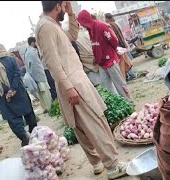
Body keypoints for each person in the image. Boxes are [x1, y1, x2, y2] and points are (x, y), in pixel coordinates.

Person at [35, 2, 127, 179]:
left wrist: (70, 15)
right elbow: (53, 63)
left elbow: (71, 37)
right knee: (95, 122)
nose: (67, 7)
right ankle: (113, 166)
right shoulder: (46, 27)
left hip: (72, 80)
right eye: (65, 5)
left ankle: (97, 164)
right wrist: (69, 88)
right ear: (58, 5)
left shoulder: (51, 25)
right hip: (72, 82)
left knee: (82, 127)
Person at [0, 43, 37, 147]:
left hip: (4, 95)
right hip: (19, 92)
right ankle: (35, 133)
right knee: (28, 113)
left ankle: (23, 135)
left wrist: (6, 90)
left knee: (13, 119)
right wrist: (13, 89)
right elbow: (17, 74)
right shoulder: (11, 59)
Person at [77, 10, 133, 102]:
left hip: (110, 60)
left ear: (85, 20)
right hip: (101, 63)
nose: (82, 25)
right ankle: (117, 103)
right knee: (106, 86)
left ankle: (130, 102)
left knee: (119, 84)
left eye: (82, 23)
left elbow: (114, 40)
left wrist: (111, 52)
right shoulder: (90, 30)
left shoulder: (101, 26)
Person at [104, 13, 136, 81]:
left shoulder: (110, 25)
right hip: (121, 44)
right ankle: (130, 75)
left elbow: (113, 37)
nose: (105, 19)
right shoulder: (115, 24)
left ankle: (131, 74)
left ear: (107, 18)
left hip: (118, 45)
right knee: (125, 61)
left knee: (124, 61)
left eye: (105, 18)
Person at [24, 37, 52, 113]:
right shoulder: (32, 52)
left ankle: (46, 108)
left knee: (42, 95)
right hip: (39, 77)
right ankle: (49, 108)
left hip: (36, 77)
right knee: (45, 94)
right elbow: (35, 66)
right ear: (33, 43)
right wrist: (39, 78)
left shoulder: (27, 52)